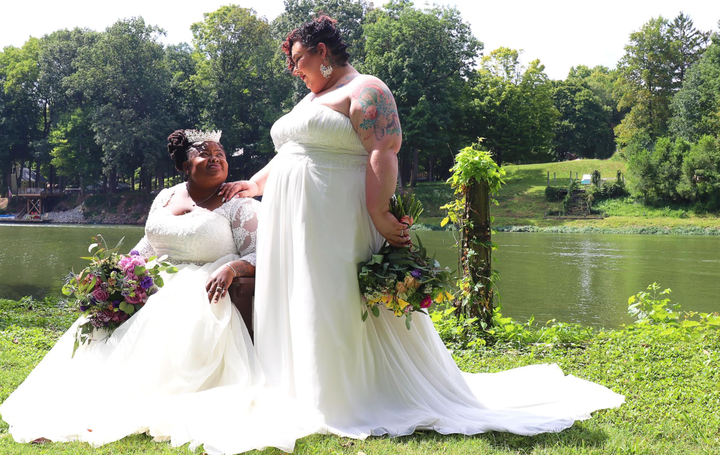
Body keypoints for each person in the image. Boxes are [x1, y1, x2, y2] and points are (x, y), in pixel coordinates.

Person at [221, 16, 624, 439]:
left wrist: (379, 212)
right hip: (294, 224)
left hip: (335, 218)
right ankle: (298, 385)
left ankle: (342, 394)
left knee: (331, 294)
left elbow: (384, 150)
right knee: (300, 294)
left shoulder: (366, 89)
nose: (295, 70)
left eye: (299, 59)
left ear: (322, 52)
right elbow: (290, 152)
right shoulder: (310, 100)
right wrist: (254, 184)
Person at [0, 130, 321, 454]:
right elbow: (146, 247)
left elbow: (260, 253)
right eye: (204, 154)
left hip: (204, 284)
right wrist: (114, 271)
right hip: (153, 280)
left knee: (173, 310)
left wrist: (231, 268)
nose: (215, 159)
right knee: (103, 322)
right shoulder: (166, 197)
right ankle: (94, 397)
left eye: (221, 155)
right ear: (184, 165)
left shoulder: (239, 203)